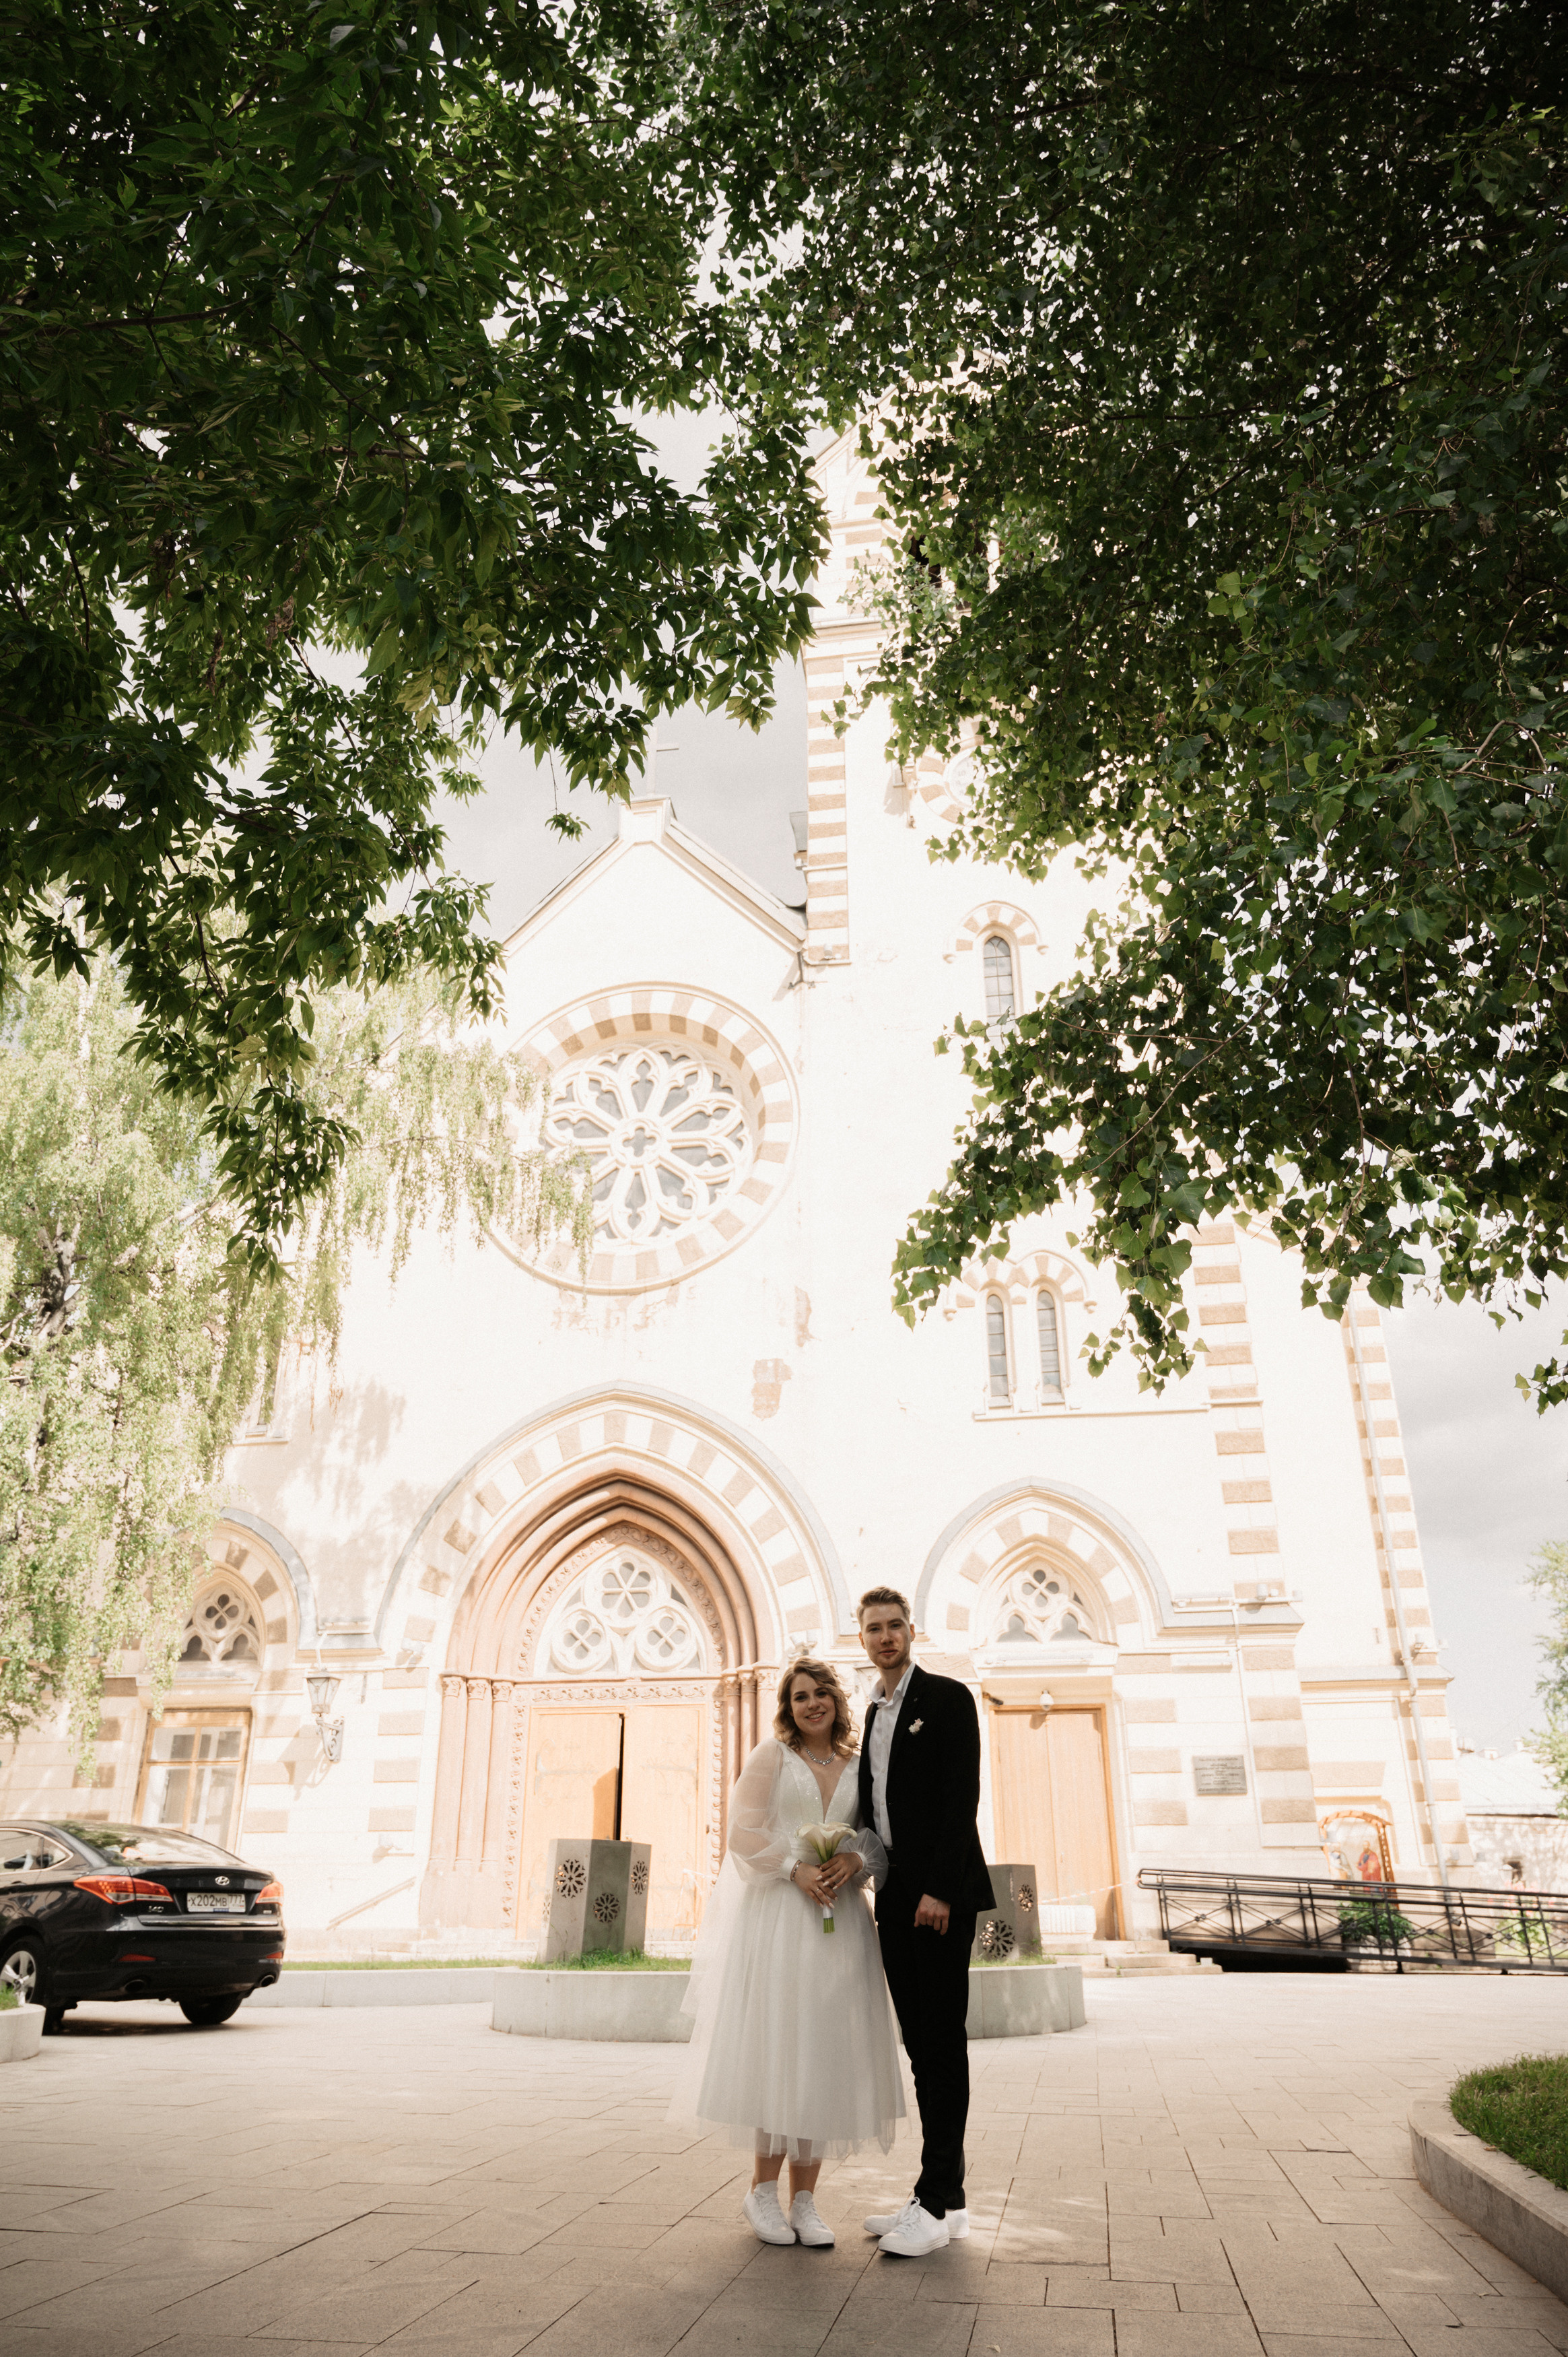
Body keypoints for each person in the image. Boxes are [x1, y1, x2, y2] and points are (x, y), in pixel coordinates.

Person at [670, 1657, 905, 2247]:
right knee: (782, 2047)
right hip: (783, 1918)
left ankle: (805, 2201)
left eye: (821, 1693)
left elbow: (880, 1838)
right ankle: (762, 2194)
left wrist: (856, 1859)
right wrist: (794, 1868)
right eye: (800, 1696)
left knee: (824, 2053)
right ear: (788, 1707)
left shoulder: (859, 1765)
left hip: (843, 1922)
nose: (812, 1704)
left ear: (836, 1700)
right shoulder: (771, 1756)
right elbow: (742, 1834)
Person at [856, 1585, 995, 2257]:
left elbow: (957, 1796)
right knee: (921, 2044)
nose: (885, 1636)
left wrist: (939, 1888)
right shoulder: (875, 1709)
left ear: (912, 1629)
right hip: (894, 1896)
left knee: (940, 2042)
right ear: (862, 1639)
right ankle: (947, 2198)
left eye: (893, 1625)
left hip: (937, 1899)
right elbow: (876, 1808)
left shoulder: (946, 1697)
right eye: (873, 1628)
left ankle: (934, 2200)